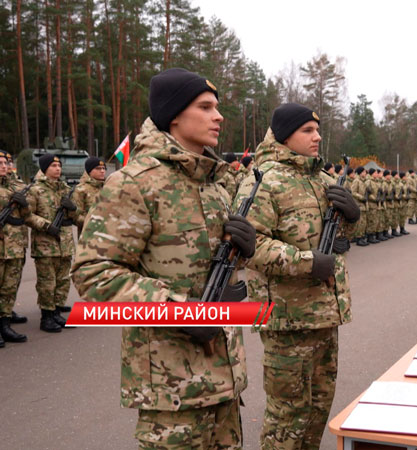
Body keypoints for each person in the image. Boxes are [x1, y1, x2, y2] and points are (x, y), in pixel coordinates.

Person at [71, 68, 255, 449]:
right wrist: (180, 310)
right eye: (205, 107)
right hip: (173, 391)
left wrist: (243, 252)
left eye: (217, 107)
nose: (218, 116)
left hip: (225, 380)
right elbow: (93, 274)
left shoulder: (214, 182)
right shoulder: (135, 182)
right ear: (174, 115)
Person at [236, 103, 359, 450]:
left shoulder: (321, 179)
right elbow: (250, 245)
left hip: (323, 314)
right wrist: (307, 262)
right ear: (285, 135)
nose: (317, 136)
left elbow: (337, 235)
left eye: (317, 130)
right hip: (286, 321)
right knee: (287, 419)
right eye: (307, 130)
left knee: (318, 410)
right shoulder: (263, 180)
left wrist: (352, 215)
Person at [25, 153, 77, 331]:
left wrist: (72, 209)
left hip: (65, 242)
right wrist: (46, 226)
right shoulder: (35, 190)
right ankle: (46, 317)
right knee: (47, 282)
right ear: (45, 168)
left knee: (62, 280)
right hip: (45, 243)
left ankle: (56, 312)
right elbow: (27, 215)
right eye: (54, 166)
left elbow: (73, 216)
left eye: (59, 166)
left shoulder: (64, 188)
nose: (58, 169)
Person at [0, 151, 31, 346]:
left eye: (5, 163)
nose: (4, 166)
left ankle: (4, 325)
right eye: (0, 163)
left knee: (8, 289)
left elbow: (26, 214)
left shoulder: (15, 186)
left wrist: (24, 204)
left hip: (13, 248)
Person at [73, 156, 106, 235]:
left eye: (103, 168)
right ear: (89, 171)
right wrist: (94, 223)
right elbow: (75, 216)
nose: (102, 171)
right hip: (88, 235)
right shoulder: (81, 189)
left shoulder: (107, 187)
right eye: (98, 168)